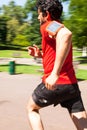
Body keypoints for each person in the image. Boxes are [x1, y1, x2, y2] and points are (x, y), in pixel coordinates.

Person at [27, 0, 87, 130]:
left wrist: (55, 73)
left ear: (46, 14)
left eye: (39, 14)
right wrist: (41, 55)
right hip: (71, 86)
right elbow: (58, 50)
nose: (38, 17)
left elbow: (66, 34)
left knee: (31, 108)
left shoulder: (48, 24)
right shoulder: (56, 26)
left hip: (56, 84)